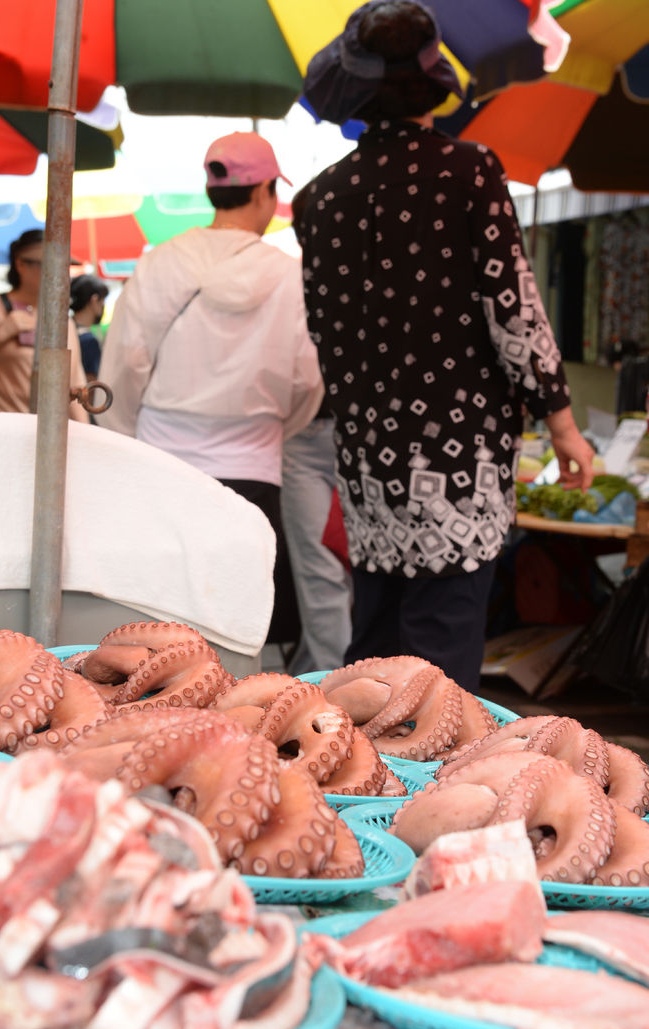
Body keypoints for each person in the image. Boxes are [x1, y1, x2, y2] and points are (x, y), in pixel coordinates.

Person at [298, 0, 594, 692]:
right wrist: (564, 423)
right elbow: (513, 311)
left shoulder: (320, 200)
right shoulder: (469, 172)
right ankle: (432, 791)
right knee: (441, 661)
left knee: (375, 645)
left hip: (371, 463)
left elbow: (323, 331)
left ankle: (359, 784)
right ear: (431, 89)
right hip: (457, 459)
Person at [97, 131, 324, 649]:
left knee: (159, 618)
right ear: (266, 191)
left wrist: (136, 439)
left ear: (212, 190)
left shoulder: (160, 261)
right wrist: (269, 431)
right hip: (255, 468)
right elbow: (307, 380)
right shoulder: (291, 276)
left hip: (162, 463)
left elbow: (124, 365)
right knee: (244, 621)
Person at [280, 183, 352, 675]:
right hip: (322, 435)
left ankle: (323, 681)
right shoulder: (288, 279)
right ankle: (329, 687)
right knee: (328, 576)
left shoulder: (296, 279)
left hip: (334, 436)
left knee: (329, 575)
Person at [0, 229, 88, 422]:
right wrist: (2, 333)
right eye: (48, 265)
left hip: (45, 435)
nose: (59, 273)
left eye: (64, 266)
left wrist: (86, 435)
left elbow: (74, 383)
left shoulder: (64, 321)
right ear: (21, 264)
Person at [70, 273, 109, 381]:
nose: (103, 306)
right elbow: (91, 384)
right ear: (94, 300)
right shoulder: (88, 340)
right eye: (102, 301)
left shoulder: (67, 329)